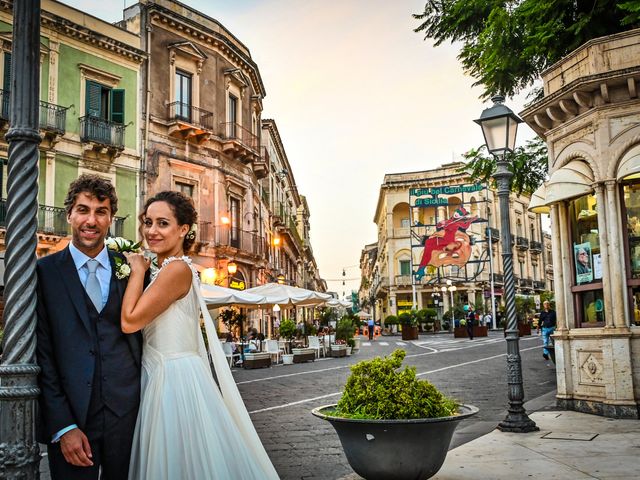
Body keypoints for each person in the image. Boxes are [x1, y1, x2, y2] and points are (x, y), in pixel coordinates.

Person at [121, 191, 278, 479]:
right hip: (161, 370)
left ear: (183, 229)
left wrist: (135, 271)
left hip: (172, 376)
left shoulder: (176, 269)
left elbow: (130, 321)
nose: (151, 231)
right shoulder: (169, 268)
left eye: (162, 223)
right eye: (148, 222)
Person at [36, 175, 141, 479]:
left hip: (129, 418)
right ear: (69, 214)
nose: (91, 220)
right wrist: (63, 426)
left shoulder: (133, 270)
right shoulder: (44, 273)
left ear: (111, 218)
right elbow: (42, 354)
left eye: (101, 211)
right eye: (83, 210)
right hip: (73, 420)